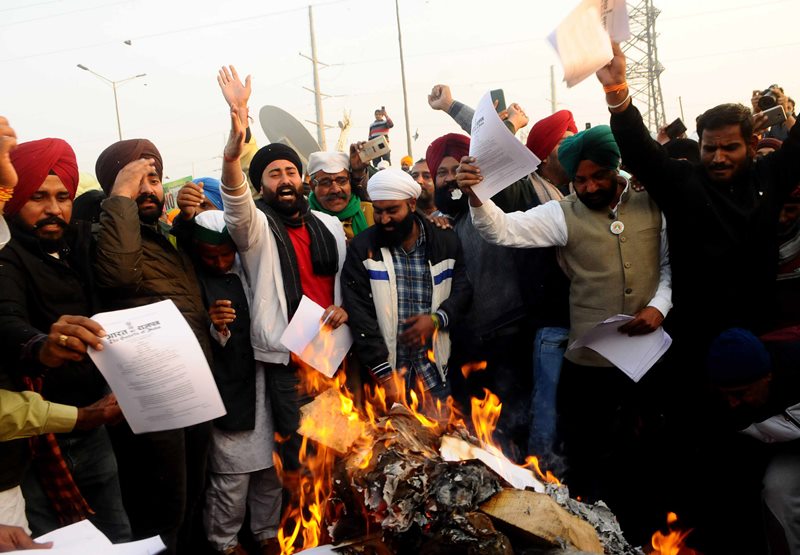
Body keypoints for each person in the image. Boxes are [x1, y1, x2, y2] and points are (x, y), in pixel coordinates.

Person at [460, 125, 671, 540]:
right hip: (589, 367)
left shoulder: (653, 202)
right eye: (580, 179)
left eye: (598, 177)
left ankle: (644, 539)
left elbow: (668, 268)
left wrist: (657, 307)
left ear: (617, 171)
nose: (590, 186)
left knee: (645, 457)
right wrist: (476, 196)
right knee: (588, 461)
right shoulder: (562, 213)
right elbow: (502, 229)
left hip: (648, 362)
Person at [217, 65, 348, 472]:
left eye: (291, 171)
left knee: (343, 447)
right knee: (300, 454)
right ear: (261, 186)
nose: (285, 179)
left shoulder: (327, 224)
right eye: (274, 174)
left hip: (334, 351)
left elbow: (342, 281)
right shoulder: (255, 227)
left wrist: (344, 310)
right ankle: (306, 528)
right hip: (289, 359)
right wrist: (233, 152)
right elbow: (236, 206)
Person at [0, 138, 130, 541]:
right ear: (15, 198)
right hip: (35, 443)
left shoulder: (78, 247)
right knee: (56, 543)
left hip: (94, 425)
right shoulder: (6, 260)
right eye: (38, 196)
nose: (54, 209)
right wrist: (44, 347)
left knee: (115, 535)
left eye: (63, 197)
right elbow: (6, 321)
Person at [94, 139, 212, 553]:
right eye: (134, 180)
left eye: (155, 179)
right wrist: (121, 197)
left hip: (190, 383)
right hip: (151, 393)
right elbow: (122, 278)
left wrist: (191, 221)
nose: (148, 189)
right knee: (163, 505)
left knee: (195, 492)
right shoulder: (106, 232)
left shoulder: (160, 234)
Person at [186, 211, 281, 555]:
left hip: (264, 383)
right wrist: (217, 327)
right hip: (227, 388)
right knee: (232, 476)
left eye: (226, 253)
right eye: (211, 256)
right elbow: (193, 336)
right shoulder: (193, 280)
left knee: (270, 470)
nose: (221, 261)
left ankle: (267, 532)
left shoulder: (253, 267)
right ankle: (224, 542)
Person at [342, 169, 472, 403]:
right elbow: (360, 314)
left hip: (435, 377)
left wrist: (436, 320)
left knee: (442, 439)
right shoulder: (362, 248)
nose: (384, 219)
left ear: (412, 204)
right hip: (386, 382)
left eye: (393, 210)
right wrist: (384, 376)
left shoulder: (445, 241)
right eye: (379, 211)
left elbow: (463, 290)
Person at [705, 329, 800, 554]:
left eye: (740, 393)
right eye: (725, 395)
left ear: (767, 376)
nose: (733, 403)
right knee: (778, 490)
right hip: (790, 450)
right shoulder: (724, 409)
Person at [307, 150, 374, 242]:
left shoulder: (371, 213)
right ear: (312, 186)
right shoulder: (304, 220)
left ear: (349, 181)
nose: (335, 189)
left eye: (342, 181)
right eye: (326, 182)